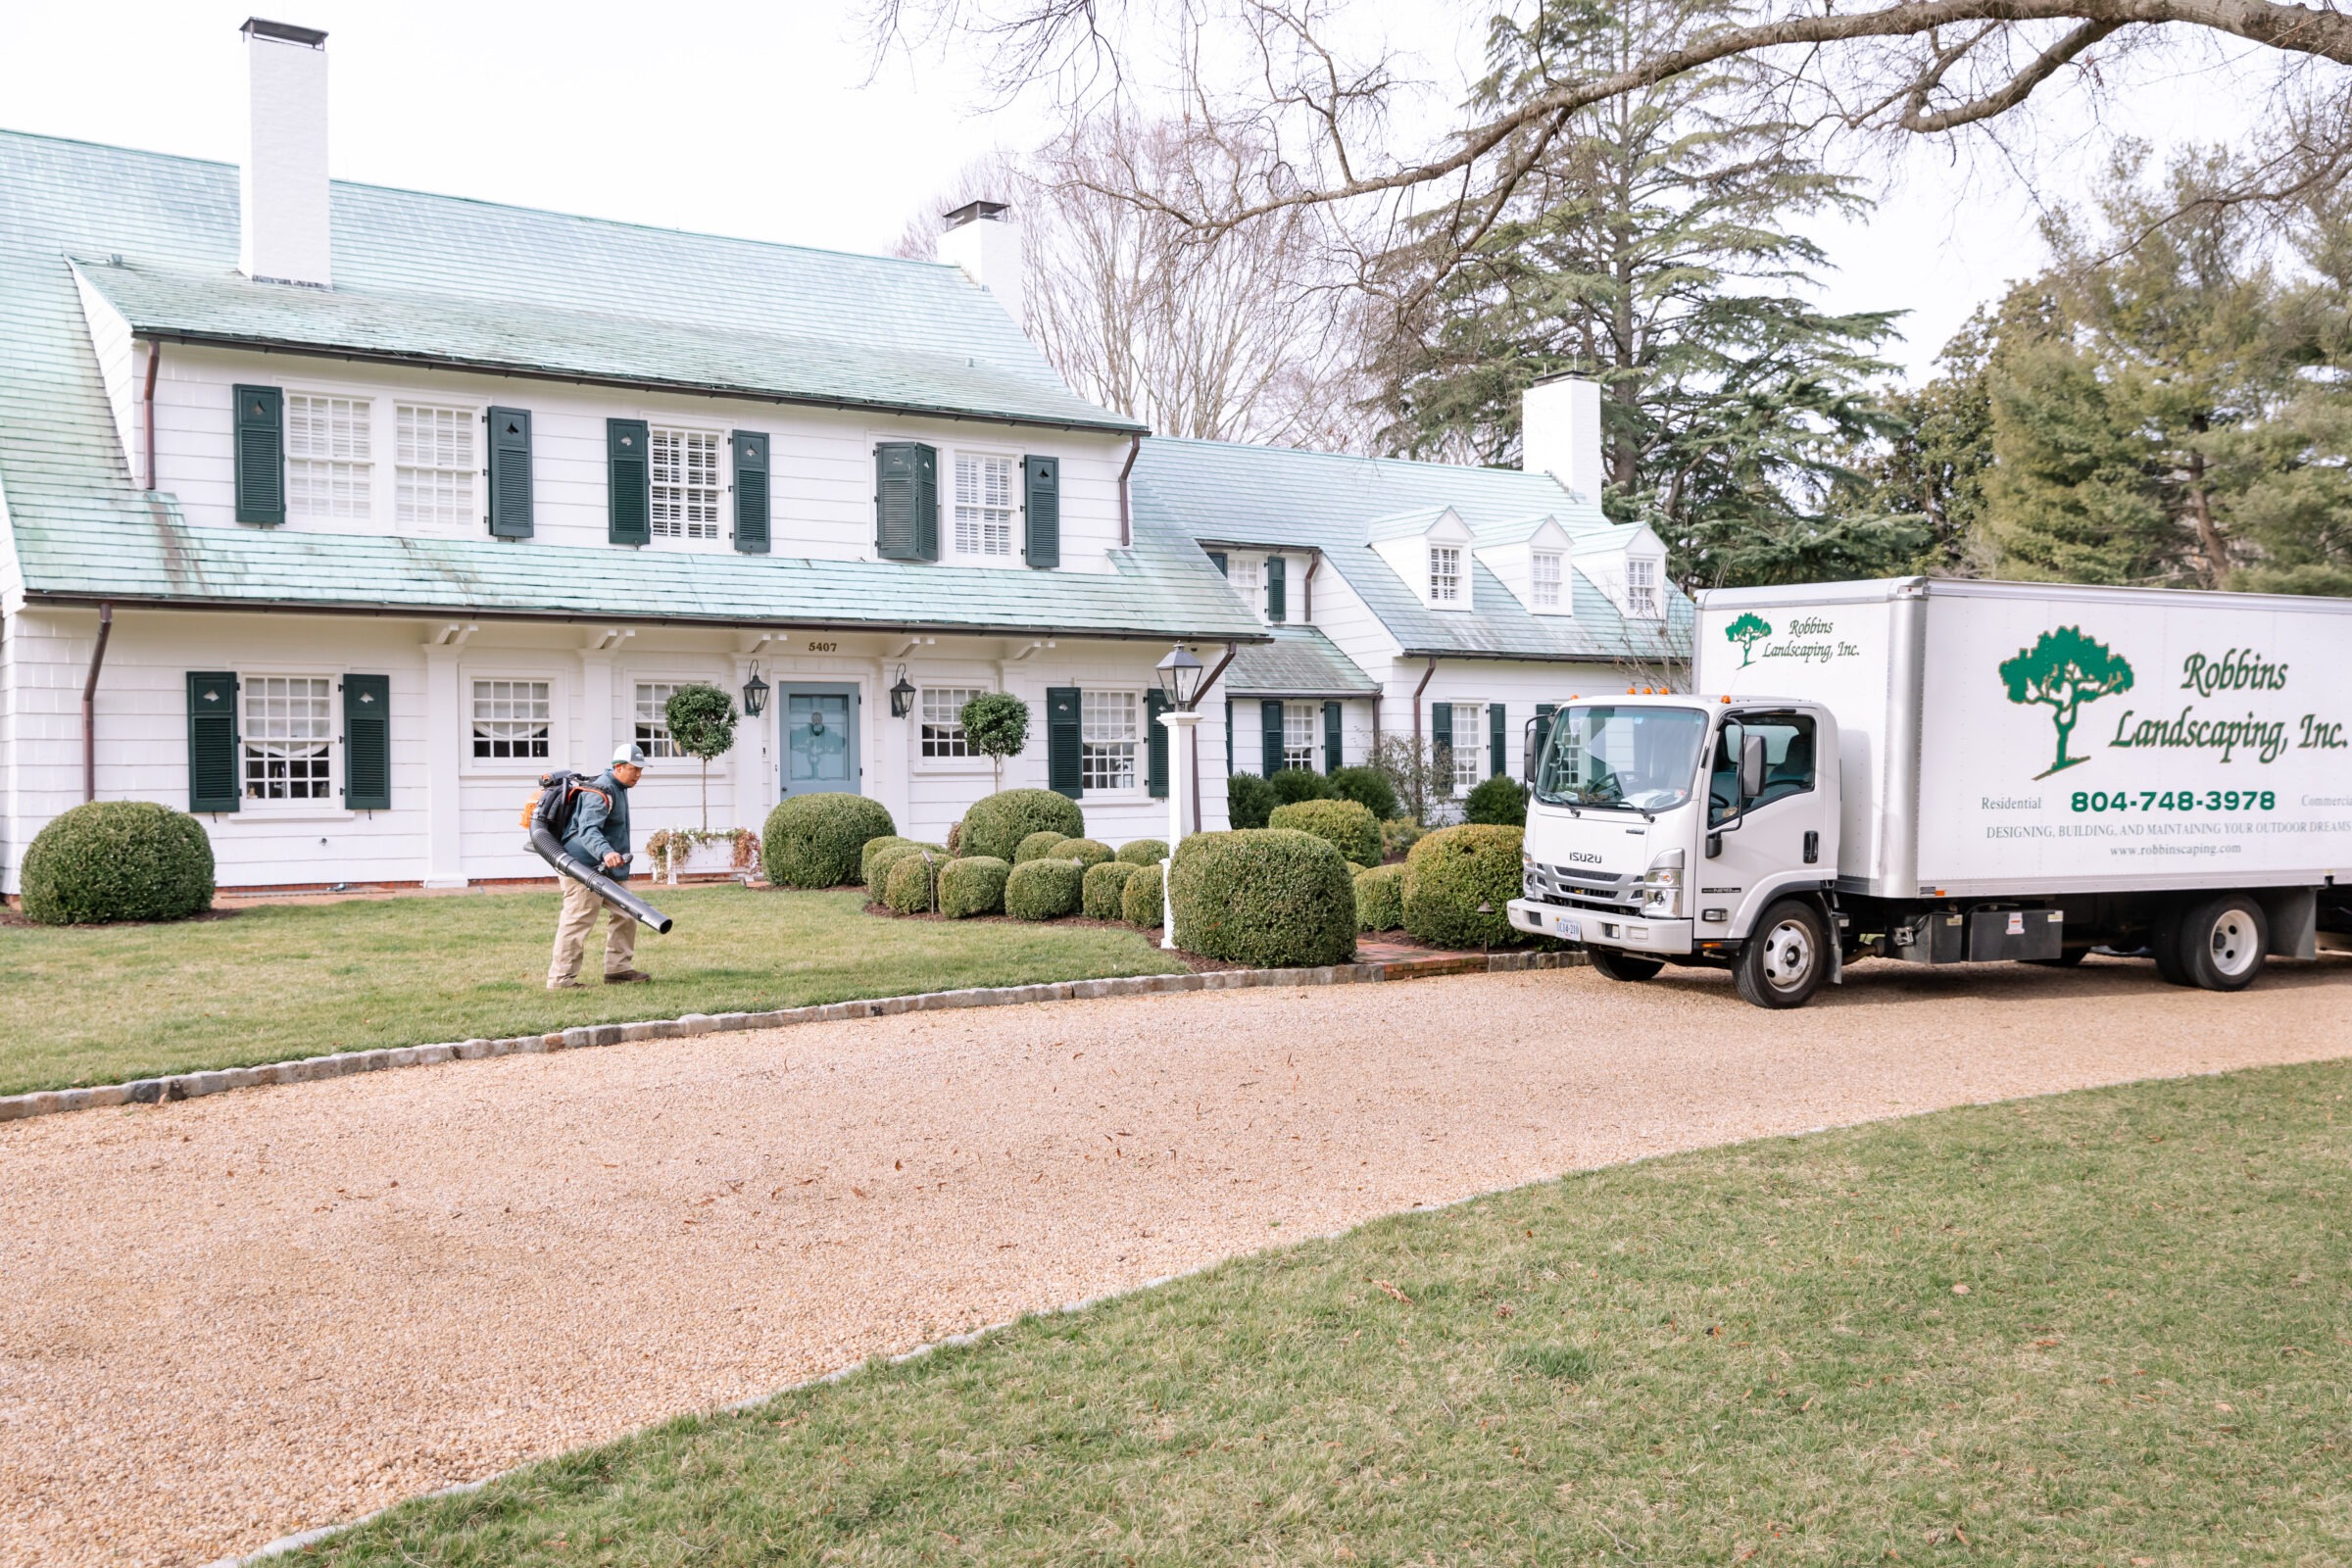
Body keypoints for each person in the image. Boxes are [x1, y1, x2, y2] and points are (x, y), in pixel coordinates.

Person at [547, 743, 651, 989]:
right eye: (633, 769)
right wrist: (605, 851)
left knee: (627, 913)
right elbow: (588, 830)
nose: (638, 775)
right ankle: (561, 980)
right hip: (583, 867)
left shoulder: (620, 787)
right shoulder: (600, 791)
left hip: (606, 867)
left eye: (640, 770)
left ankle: (618, 969)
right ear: (618, 767)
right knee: (578, 920)